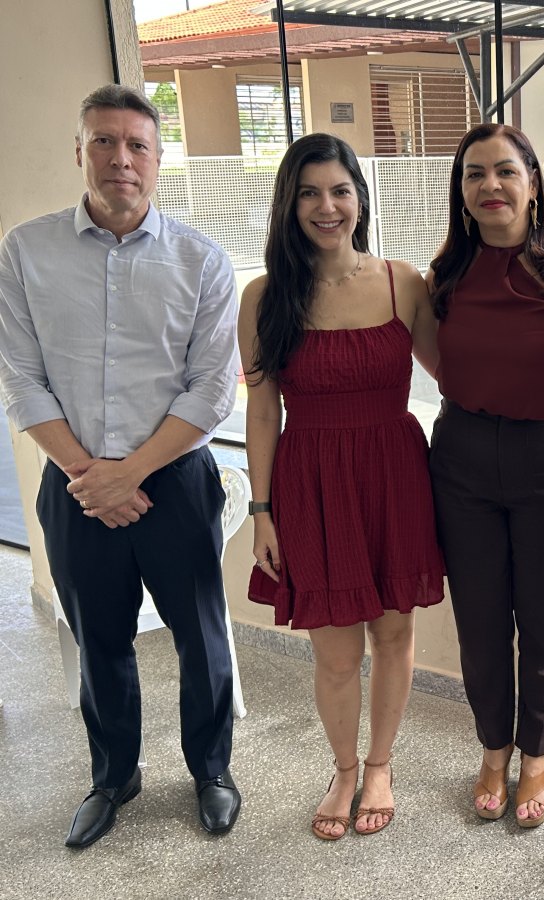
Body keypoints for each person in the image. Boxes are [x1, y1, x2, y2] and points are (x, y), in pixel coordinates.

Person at [0, 84, 241, 847]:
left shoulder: (202, 260)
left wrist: (129, 472)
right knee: (97, 637)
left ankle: (212, 771)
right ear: (80, 151)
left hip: (176, 481)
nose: (121, 159)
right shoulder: (25, 251)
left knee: (200, 635)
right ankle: (114, 777)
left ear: (159, 159)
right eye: (104, 141)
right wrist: (91, 475)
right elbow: (21, 379)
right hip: (75, 484)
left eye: (137, 145)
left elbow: (211, 390)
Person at [240, 133, 444, 840]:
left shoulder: (402, 282)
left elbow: (457, 374)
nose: (327, 207)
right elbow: (261, 410)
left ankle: (380, 764)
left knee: (393, 631)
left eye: (340, 191)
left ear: (360, 198)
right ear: (289, 204)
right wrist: (262, 511)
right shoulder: (264, 296)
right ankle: (344, 769)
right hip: (311, 483)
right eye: (309, 193)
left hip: (394, 475)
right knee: (333, 652)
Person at [426, 124, 544, 828]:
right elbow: (439, 358)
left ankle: (538, 755)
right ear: (462, 192)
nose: (489, 185)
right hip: (461, 454)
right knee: (480, 619)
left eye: (504, 170)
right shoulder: (446, 270)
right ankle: (493, 748)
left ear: (532, 181)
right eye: (474, 174)